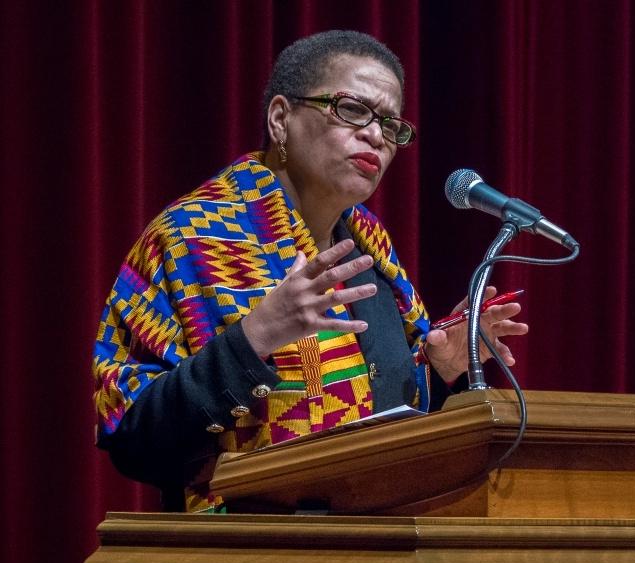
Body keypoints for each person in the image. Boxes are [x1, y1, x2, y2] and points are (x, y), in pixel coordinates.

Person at [92, 30, 527, 512]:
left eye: (390, 124)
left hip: (371, 552)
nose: (376, 136)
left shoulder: (370, 249)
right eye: (353, 110)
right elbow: (131, 436)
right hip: (241, 560)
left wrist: (439, 368)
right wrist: (253, 337)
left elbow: (379, 426)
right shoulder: (188, 239)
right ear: (281, 119)